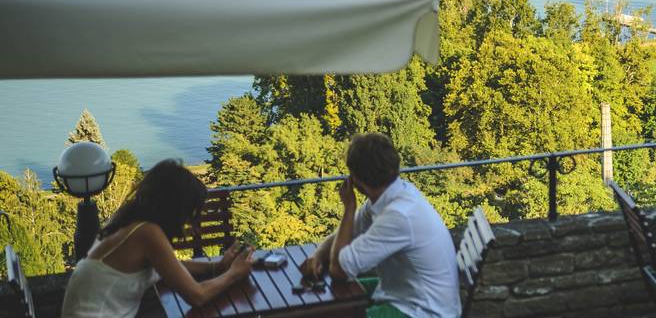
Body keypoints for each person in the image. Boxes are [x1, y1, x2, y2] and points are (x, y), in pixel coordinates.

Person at [60, 160, 254, 318]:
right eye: (189, 212)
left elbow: (169, 267)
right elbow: (197, 296)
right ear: (175, 208)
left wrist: (217, 267)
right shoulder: (146, 233)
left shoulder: (125, 221)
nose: (188, 221)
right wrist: (234, 273)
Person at [301, 133, 460, 318]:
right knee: (335, 296)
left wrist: (349, 209)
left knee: (332, 304)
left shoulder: (398, 216)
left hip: (422, 311)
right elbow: (348, 233)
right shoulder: (393, 195)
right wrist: (318, 255)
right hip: (402, 293)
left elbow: (338, 271)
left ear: (356, 179)